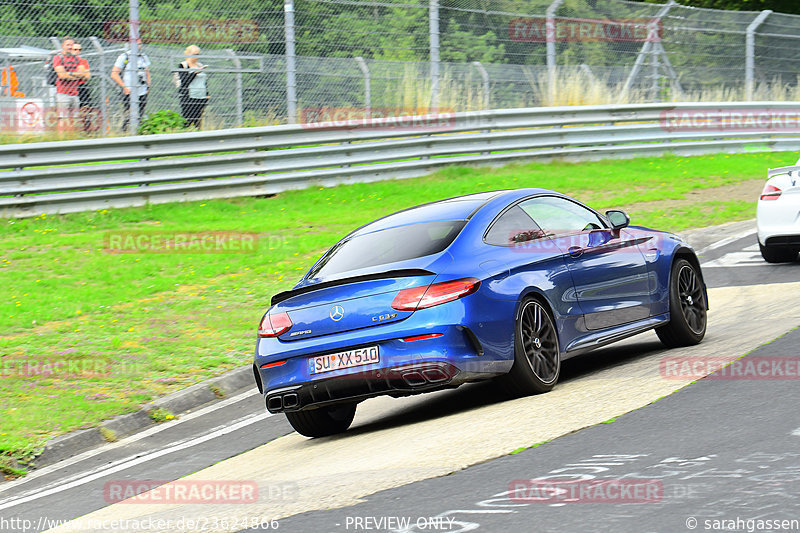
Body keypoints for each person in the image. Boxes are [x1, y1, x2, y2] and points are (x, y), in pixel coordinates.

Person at [111, 38, 151, 131]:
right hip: (129, 91)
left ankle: (139, 132)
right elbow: (114, 74)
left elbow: (147, 73)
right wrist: (124, 87)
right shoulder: (125, 57)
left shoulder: (143, 57)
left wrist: (148, 86)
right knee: (129, 115)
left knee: (140, 114)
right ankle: (125, 132)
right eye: (136, 44)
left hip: (142, 90)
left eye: (140, 44)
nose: (138, 46)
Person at [52, 37, 87, 131]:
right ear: (63, 46)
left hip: (75, 93)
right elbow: (62, 75)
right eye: (68, 45)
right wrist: (75, 75)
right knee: (63, 118)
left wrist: (69, 74)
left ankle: (71, 139)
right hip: (63, 93)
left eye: (72, 45)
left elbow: (83, 75)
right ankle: (61, 140)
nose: (70, 47)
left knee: (74, 119)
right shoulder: (58, 57)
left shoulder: (77, 59)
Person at [176, 45, 209, 128]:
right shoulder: (183, 65)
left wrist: (207, 93)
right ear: (188, 54)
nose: (197, 57)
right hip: (189, 96)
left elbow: (204, 81)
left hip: (201, 96)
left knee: (198, 120)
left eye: (198, 55)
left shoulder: (199, 65)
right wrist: (194, 73)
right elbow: (184, 82)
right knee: (188, 119)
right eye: (195, 54)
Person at [71, 42, 94, 131]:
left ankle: (86, 128)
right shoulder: (66, 61)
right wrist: (80, 73)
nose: (77, 52)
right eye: (75, 49)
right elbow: (64, 75)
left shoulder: (83, 61)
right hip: (70, 87)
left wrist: (74, 74)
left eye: (79, 50)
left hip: (81, 86)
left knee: (85, 109)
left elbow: (87, 76)